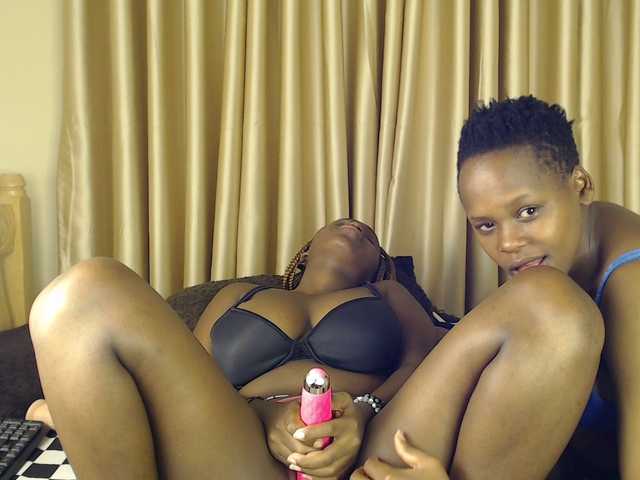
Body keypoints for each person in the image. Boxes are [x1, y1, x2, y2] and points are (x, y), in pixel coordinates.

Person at [30, 211, 603, 479]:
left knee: (553, 301)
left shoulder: (387, 292)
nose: (356, 228)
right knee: (81, 293)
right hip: (237, 455)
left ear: (378, 262)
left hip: (375, 449)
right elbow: (193, 383)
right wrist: (263, 418)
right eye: (341, 224)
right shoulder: (236, 296)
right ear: (305, 251)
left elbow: (420, 359)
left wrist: (364, 410)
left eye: (369, 235)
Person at [354, 96, 639, 479]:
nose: (507, 244)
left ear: (581, 186)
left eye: (528, 212)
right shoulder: (552, 277)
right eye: (486, 226)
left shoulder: (630, 282)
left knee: (551, 305)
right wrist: (362, 408)